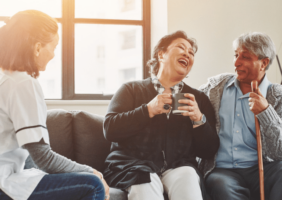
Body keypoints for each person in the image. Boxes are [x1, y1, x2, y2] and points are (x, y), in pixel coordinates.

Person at [0, 10, 109, 200]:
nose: (54, 54)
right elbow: (43, 158)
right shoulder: (23, 83)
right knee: (93, 185)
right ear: (37, 48)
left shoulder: (5, 78)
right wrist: (91, 171)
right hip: (4, 183)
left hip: (8, 177)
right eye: (54, 46)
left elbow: (31, 159)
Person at [103, 30, 219, 200]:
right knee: (144, 181)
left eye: (191, 53)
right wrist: (148, 110)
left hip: (179, 167)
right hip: (134, 166)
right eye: (181, 47)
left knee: (188, 175)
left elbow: (209, 151)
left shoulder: (198, 99)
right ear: (161, 54)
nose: (187, 54)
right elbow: (110, 129)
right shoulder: (131, 90)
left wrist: (198, 119)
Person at [199, 32, 282, 200]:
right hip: (222, 170)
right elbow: (189, 98)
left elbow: (279, 152)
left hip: (261, 168)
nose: (236, 63)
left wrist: (266, 112)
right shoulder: (216, 86)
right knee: (222, 187)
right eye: (236, 55)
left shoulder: (278, 96)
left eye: (245, 57)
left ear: (263, 63)